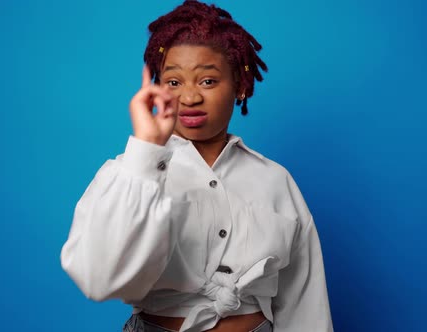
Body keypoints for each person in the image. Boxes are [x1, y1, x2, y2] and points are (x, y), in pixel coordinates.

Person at [60, 1, 333, 331]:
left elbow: (304, 300)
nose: (189, 98)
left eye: (207, 81)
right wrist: (146, 151)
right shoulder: (127, 173)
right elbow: (98, 279)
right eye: (174, 82)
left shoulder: (275, 180)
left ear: (241, 86)